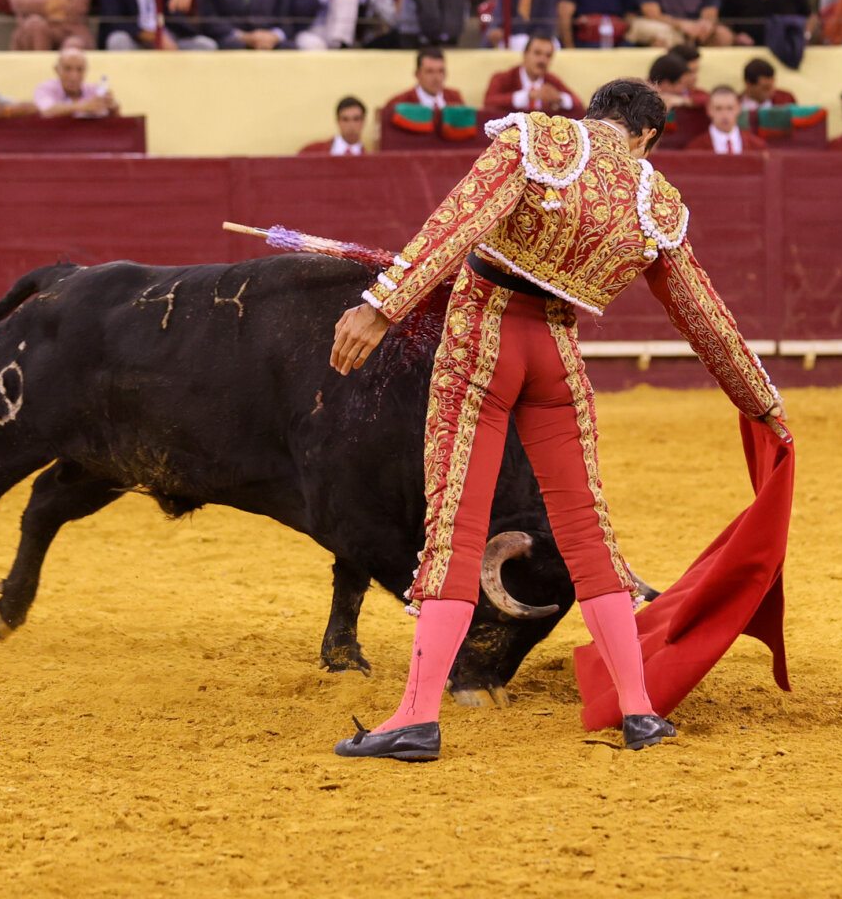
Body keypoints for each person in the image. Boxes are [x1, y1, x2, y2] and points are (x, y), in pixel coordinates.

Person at [328, 79, 784, 760]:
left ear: (593, 113)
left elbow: (457, 221)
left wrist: (381, 306)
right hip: (556, 356)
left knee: (456, 526)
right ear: (647, 137)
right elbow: (707, 321)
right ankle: (638, 710)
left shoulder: (539, 140)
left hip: (482, 340)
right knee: (587, 530)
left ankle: (417, 715)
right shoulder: (654, 200)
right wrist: (763, 402)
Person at [483, 30, 582, 116]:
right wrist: (526, 96)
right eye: (537, 53)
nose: (542, 60)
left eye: (548, 56)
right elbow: (488, 103)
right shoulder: (504, 78)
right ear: (525, 54)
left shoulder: (551, 81)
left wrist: (559, 98)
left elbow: (579, 105)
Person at [33, 45, 120, 118]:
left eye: (79, 70)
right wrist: (83, 106)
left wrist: (113, 108)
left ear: (85, 71)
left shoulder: (94, 90)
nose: (74, 76)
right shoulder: (45, 88)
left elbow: (112, 116)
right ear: (57, 70)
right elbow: (46, 110)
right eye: (67, 69)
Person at [685, 84, 766, 152]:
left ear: (738, 108)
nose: (724, 114)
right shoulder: (695, 148)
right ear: (709, 110)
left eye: (729, 108)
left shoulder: (757, 146)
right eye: (718, 108)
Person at [385, 46, 464, 108]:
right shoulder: (399, 104)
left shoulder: (455, 98)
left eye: (441, 71)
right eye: (430, 72)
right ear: (417, 74)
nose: (437, 78)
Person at [299, 95, 366, 153]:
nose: (351, 125)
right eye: (345, 119)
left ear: (363, 121)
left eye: (356, 119)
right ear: (337, 121)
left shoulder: (368, 161)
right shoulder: (312, 151)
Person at [667, 42, 708, 107]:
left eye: (696, 71)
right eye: (690, 72)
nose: (695, 77)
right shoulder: (654, 94)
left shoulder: (697, 95)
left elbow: (707, 99)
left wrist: (682, 101)